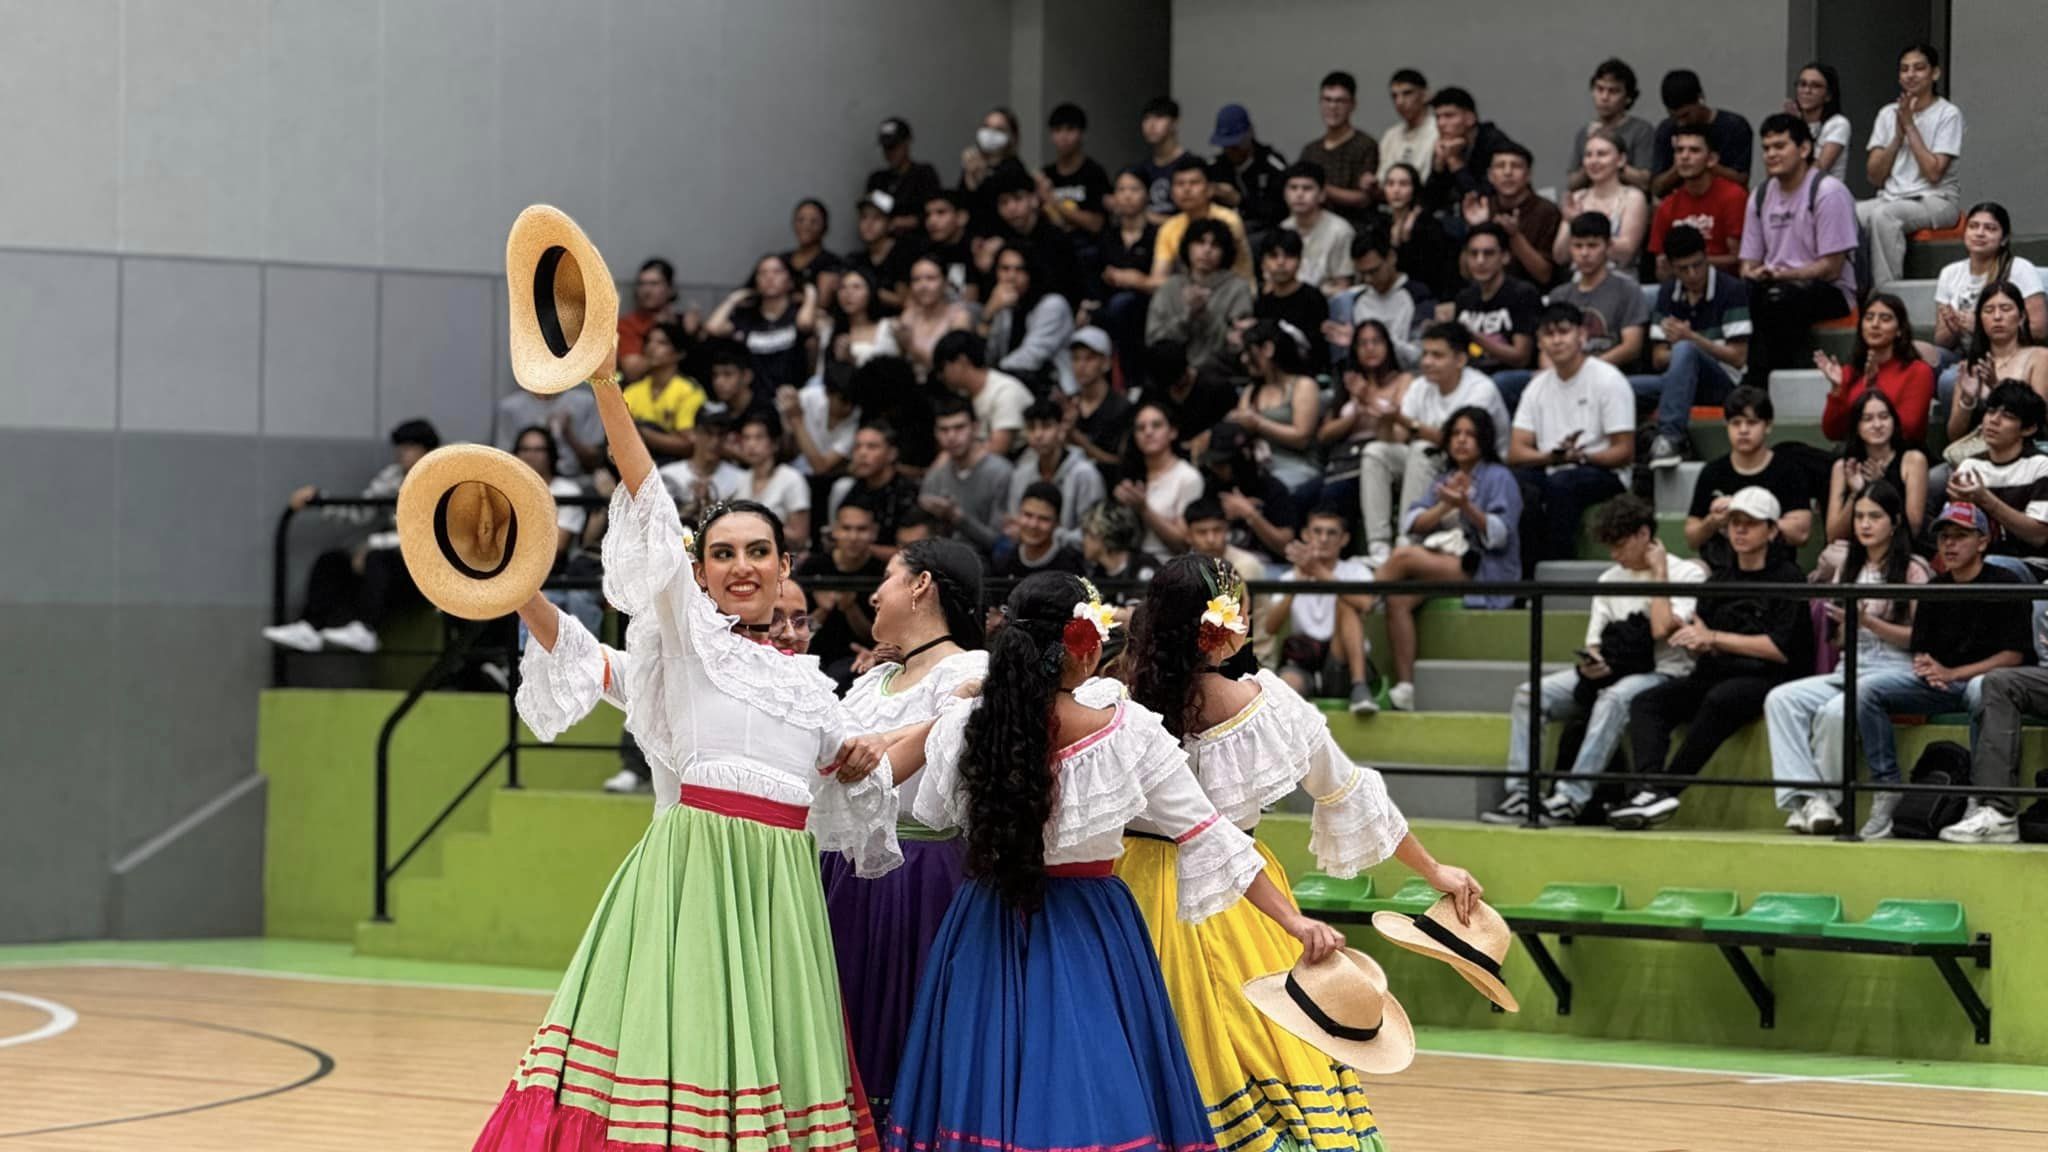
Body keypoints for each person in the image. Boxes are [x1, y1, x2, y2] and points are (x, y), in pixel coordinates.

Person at [482, 338, 892, 1149]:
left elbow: (857, 774)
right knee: (684, 1057)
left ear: (785, 567)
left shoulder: (812, 689)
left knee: (768, 1071)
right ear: (697, 573)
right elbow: (647, 498)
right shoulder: (686, 639)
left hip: (780, 899)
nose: (741, 567)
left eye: (759, 553)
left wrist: (868, 759)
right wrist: (606, 385)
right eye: (722, 554)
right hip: (694, 881)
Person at [853, 571, 1336, 1152]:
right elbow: (1208, 833)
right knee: (1092, 1080)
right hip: (1091, 929)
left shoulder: (970, 725)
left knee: (985, 1073)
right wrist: (1293, 920)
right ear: (1084, 646)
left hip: (985, 920)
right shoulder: (1126, 732)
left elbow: (896, 792)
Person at [1124, 554, 1485, 1152]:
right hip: (1235, 898)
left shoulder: (1114, 700)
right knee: (1254, 1040)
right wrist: (1434, 870)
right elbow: (1345, 788)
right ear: (1227, 622)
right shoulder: (1263, 707)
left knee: (1149, 1039)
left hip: (1127, 893)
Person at [820, 540, 988, 1119]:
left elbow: (944, 756)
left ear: (921, 586)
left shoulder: (969, 670)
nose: (874, 592)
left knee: (902, 1015)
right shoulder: (873, 679)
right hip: (843, 864)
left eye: (888, 576)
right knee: (842, 1015)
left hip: (917, 871)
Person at [1481, 495, 1706, 826]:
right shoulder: (1609, 579)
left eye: (1620, 545)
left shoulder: (1686, 574)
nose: (1614, 555)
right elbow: (1595, 641)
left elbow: (1664, 628)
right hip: (1613, 671)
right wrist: (1593, 663)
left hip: (1665, 673)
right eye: (1609, 547)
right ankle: (1521, 793)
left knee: (1612, 698)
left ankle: (1571, 798)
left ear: (1644, 535)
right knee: (1529, 694)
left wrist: (1659, 572)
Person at [1610, 487, 1809, 830]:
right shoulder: (1719, 579)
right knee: (1647, 702)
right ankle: (1648, 785)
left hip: (1768, 677)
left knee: (1721, 699)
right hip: (1715, 670)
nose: (1740, 530)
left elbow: (1780, 648)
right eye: (1734, 523)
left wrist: (1714, 638)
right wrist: (1695, 640)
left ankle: (1664, 790)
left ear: (1772, 531)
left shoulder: (1789, 578)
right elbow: (1703, 633)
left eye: (1750, 523)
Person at [1853, 502, 2032, 839]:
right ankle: (1887, 790)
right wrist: (1925, 665)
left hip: (1979, 682)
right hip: (1939, 684)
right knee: (1867, 690)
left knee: (1984, 688)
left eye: (1960, 536)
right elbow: (1922, 645)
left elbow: (2013, 656)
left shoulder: (2005, 582)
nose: (1949, 544)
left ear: (1982, 542)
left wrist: (1953, 673)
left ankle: (1979, 798)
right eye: (1944, 537)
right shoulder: (1935, 586)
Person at [1765, 480, 1930, 835]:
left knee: (1834, 712)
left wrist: (1869, 621)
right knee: (1781, 699)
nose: (1865, 525)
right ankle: (1809, 799)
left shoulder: (1914, 569)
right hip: (1851, 666)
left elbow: (1921, 638)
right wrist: (1844, 627)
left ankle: (1823, 801)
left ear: (1895, 521)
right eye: (1858, 517)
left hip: (1895, 668)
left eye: (1875, 516)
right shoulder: (1849, 567)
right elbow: (1839, 641)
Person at [1372, 407, 1523, 711]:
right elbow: (1412, 521)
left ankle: (1362, 604)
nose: (1461, 441)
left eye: (1470, 434)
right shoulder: (1446, 477)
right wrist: (1444, 506)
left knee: (1401, 556)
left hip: (1484, 567)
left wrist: (1466, 507)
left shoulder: (1499, 476)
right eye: (1456, 434)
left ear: (1484, 440)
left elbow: (1500, 535)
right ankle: (1405, 687)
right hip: (1446, 562)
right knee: (1399, 601)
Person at [264, 419, 440, 654]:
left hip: (427, 572)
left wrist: (372, 546)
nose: (401, 455)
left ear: (426, 450)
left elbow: (432, 536)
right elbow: (362, 509)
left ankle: (366, 630)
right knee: (332, 561)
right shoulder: (394, 477)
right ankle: (310, 627)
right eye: (399, 448)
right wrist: (319, 498)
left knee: (377, 559)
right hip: (391, 561)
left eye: (408, 448)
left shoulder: (444, 479)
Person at [1362, 321, 1512, 563]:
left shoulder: (1481, 389)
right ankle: (1378, 547)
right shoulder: (1421, 386)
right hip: (1437, 465)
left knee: (1422, 449)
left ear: (1461, 359)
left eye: (1437, 355)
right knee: (1375, 451)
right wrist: (1387, 420)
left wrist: (1405, 421)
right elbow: (1397, 439)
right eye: (1425, 354)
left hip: (1479, 469)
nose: (1426, 362)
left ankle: (1408, 541)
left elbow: (1461, 442)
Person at [1508, 303, 1636, 570]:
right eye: (1549, 334)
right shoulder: (1537, 386)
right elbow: (1516, 452)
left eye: (1563, 332)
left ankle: (1557, 572)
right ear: (1540, 341)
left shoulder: (1608, 380)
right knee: (1518, 485)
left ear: (1582, 336)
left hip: (1602, 472)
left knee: (1563, 485)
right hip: (1552, 466)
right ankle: (1525, 578)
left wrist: (1583, 456)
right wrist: (1551, 456)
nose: (1556, 340)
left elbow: (1624, 451)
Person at [1739, 114, 1858, 387]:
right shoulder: (1758, 195)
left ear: (1804, 149)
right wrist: (1755, 274)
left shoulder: (1828, 192)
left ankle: (1759, 384)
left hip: (1829, 291)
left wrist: (1782, 276)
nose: (1771, 154)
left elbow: (1831, 267)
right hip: (1775, 285)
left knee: (1780, 300)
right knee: (1743, 293)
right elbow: (1748, 262)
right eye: (1766, 148)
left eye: (1780, 146)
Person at [1638, 224, 1752, 467]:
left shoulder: (1731, 289)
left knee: (1685, 349)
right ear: (1670, 267)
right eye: (1683, 269)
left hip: (1722, 382)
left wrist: (1692, 340)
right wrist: (1684, 357)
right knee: (1620, 385)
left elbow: (1738, 357)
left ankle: (1670, 437)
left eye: (1697, 265)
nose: (1692, 274)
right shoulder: (1668, 293)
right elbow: (1659, 357)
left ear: (1707, 257)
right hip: (1678, 381)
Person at [1858, 43, 1966, 291]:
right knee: (1846, 213)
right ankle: (1853, 292)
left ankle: (1888, 295)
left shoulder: (1948, 113)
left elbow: (1934, 172)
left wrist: (1910, 126)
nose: (1910, 74)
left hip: (1937, 200)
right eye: (1905, 69)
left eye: (1919, 68)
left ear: (1934, 73)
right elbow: (1875, 176)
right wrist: (1897, 135)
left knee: (1884, 217)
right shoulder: (1887, 114)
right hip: (1891, 196)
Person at [1264, 506, 1375, 711]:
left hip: (1343, 661)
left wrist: (1320, 573)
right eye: (1317, 531)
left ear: (1345, 539)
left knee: (1346, 601)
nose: (1324, 539)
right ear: (1306, 535)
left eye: (1331, 533)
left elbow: (1366, 604)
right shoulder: (1290, 577)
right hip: (1304, 659)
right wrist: (1296, 586)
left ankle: (1360, 687)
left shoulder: (1357, 570)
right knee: (1286, 686)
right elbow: (1270, 627)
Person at [1683, 385, 1815, 553]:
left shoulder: (1788, 470)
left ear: (1767, 426)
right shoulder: (1712, 472)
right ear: (1727, 426)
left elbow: (1801, 534)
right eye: (1736, 423)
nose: (1743, 430)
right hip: (1722, 568)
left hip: (1774, 567)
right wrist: (1712, 522)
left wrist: (1742, 508)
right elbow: (1692, 539)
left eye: (1752, 422)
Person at [1932, 203, 2048, 370]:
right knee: (1919, 356)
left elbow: (2039, 330)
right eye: (1973, 226)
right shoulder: (1949, 272)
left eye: (1990, 228)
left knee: (1950, 382)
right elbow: (1941, 342)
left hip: (2010, 355)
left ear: (2004, 239)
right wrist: (1953, 327)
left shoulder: (2020, 269)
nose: (1979, 233)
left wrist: (1980, 327)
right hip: (1964, 354)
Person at [1318, 319, 1413, 517]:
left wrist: (1369, 398)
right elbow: (1324, 435)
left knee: (1333, 495)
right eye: (1362, 343)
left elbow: (1400, 434)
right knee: (1303, 494)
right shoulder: (1349, 383)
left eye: (1376, 342)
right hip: (1343, 459)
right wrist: (1355, 415)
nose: (1370, 348)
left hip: (1378, 459)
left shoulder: (1403, 381)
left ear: (1388, 345)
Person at [1815, 292, 1935, 446]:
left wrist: (1872, 388)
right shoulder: (1849, 371)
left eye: (1885, 319)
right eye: (1869, 318)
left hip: (1901, 457)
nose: (1875, 324)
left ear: (1899, 330)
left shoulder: (1918, 371)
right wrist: (1837, 391)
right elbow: (1832, 432)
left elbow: (1908, 430)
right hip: (1855, 455)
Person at [1950, 381, 2048, 564]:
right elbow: (1955, 532)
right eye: (1990, 411)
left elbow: (2038, 536)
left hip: (2033, 564)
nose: (1993, 420)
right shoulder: (1970, 465)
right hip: (1977, 564)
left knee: (1995, 564)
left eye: (2008, 416)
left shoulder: (2041, 466)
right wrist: (1957, 502)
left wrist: (1985, 499)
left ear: (2029, 429)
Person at [1443, 223, 1541, 404]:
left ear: (1504, 257)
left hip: (1511, 380)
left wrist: (1475, 337)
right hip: (1473, 376)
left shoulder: (1522, 293)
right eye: (1474, 254)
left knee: (1496, 384)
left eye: (1488, 254)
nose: (1480, 261)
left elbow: (1521, 357)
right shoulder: (1464, 298)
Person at [1146, 218, 1256, 376]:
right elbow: (1154, 339)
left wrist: (1204, 315)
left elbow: (1237, 345)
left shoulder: (1237, 288)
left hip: (1218, 373)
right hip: (1171, 374)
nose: (1206, 250)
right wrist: (1187, 317)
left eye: (1215, 245)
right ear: (1188, 247)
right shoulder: (1170, 287)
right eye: (1200, 243)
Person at [1231, 319, 1324, 501]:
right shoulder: (1251, 392)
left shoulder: (1303, 385)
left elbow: (1301, 437)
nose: (1244, 358)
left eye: (1249, 351)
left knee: (1270, 492)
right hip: (1258, 467)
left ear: (1268, 349)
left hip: (1297, 466)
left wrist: (1259, 423)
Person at [797, 499, 886, 686]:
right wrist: (822, 610)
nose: (853, 537)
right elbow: (797, 632)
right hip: (810, 657)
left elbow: (879, 637)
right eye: (846, 529)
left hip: (858, 660)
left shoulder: (882, 572)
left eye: (861, 529)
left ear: (873, 532)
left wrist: (851, 609)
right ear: (835, 531)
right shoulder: (813, 567)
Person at [1326, 222, 1433, 370]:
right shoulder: (1354, 300)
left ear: (1391, 258)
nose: (1368, 279)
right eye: (1362, 274)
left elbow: (1420, 355)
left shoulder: (1418, 296)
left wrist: (1376, 343)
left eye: (1374, 271)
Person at [1825, 390, 1929, 543]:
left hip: (1900, 549)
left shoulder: (1913, 460)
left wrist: (1880, 485)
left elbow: (1913, 527)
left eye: (1884, 417)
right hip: (1855, 551)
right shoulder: (1843, 468)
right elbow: (1834, 536)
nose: (1877, 425)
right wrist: (1856, 493)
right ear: (1857, 426)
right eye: (1867, 419)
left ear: (1894, 421)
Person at [1549, 214, 1649, 371]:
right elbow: (1546, 347)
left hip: (1614, 376)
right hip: (1566, 376)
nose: (1584, 253)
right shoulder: (1559, 295)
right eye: (1578, 246)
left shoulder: (1628, 290)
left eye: (1592, 245)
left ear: (1608, 246)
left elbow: (1632, 347)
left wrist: (1585, 370)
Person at [705, 252, 819, 391]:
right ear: (756, 281)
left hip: (794, 396)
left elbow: (806, 324)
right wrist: (734, 298)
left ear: (790, 280)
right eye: (763, 273)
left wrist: (810, 293)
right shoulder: (747, 316)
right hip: (758, 400)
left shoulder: (798, 313)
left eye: (777, 272)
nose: (769, 277)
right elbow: (713, 327)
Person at [1648, 125, 1748, 275]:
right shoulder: (1668, 205)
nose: (1685, 157)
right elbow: (1661, 267)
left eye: (1694, 150)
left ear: (1711, 159)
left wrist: (1687, 263)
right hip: (1679, 287)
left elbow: (1739, 259)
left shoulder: (1733, 196)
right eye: (1679, 150)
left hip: (1725, 286)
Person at [979, 242, 1076, 394]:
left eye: (1020, 270)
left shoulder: (1053, 305)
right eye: (1005, 269)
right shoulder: (1001, 306)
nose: (1011, 276)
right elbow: (986, 357)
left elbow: (1031, 356)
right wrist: (989, 313)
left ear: (1032, 273)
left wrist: (990, 376)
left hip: (1051, 388)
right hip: (1009, 384)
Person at [920, 398, 1015, 554]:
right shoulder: (936, 474)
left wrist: (958, 518)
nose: (951, 436)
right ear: (936, 433)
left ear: (975, 428)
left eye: (959, 428)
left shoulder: (1001, 472)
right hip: (940, 563)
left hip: (986, 567)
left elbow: (1000, 542)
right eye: (944, 430)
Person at [1007, 398, 1105, 548]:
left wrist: (1048, 534)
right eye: (1032, 428)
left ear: (1061, 430)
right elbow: (1015, 523)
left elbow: (1093, 533)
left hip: (1074, 561)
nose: (1038, 435)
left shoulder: (1085, 474)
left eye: (1046, 427)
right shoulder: (1020, 475)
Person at [1461, 142, 1561, 288]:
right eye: (1500, 166)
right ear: (1490, 176)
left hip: (1531, 295)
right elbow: (1466, 273)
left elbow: (1544, 275)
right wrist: (1476, 228)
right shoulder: (1483, 207)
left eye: (1516, 166)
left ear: (1528, 175)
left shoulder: (1546, 211)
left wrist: (1515, 236)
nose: (1507, 172)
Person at [1114, 400, 1206, 557]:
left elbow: (1184, 543)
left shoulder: (1187, 477)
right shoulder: (1131, 474)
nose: (1148, 432)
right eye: (1140, 428)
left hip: (1170, 567)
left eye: (1156, 425)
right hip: (1132, 568)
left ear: (1173, 432)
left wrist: (1144, 510)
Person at [986, 166, 1086, 309]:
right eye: (1004, 202)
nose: (1011, 208)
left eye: (1018, 198)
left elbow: (1069, 288)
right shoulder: (1000, 241)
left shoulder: (1057, 238)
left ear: (1034, 199)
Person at [1150, 157, 1256, 285]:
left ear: (1210, 189)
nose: (1186, 189)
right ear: (1172, 193)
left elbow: (1229, 271)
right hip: (1188, 295)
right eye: (1180, 184)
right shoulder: (1169, 227)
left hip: (1233, 292)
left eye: (1194, 183)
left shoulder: (1228, 220)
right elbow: (1158, 278)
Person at [1556, 129, 1649, 271]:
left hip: (1620, 282)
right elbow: (1560, 256)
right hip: (1580, 281)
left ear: (1621, 160)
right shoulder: (1577, 197)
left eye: (1602, 154)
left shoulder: (1633, 197)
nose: (1593, 161)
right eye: (1588, 155)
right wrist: (1570, 222)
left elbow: (1627, 251)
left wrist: (1586, 232)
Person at [1651, 70, 1753, 197]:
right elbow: (1657, 187)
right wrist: (1681, 166)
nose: (1681, 123)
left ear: (1700, 99)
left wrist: (1704, 163)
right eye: (1674, 117)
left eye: (1686, 115)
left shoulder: (1734, 126)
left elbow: (1741, 180)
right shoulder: (1666, 129)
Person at [933, 330, 1034, 458]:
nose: (941, 376)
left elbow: (998, 449)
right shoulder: (963, 394)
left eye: (943, 368)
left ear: (961, 362)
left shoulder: (1005, 392)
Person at [617, 321, 704, 464]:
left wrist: (643, 433)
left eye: (662, 343)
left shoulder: (688, 391)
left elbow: (688, 446)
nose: (651, 347)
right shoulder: (632, 391)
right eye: (649, 341)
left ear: (679, 354)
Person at [827, 421, 922, 553]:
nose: (862, 453)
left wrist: (860, 549)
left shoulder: (909, 494)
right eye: (857, 447)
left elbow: (913, 553)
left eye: (872, 447)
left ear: (891, 454)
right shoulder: (848, 489)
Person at [1098, 169, 1162, 365]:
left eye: (1134, 189)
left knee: (1124, 304)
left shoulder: (1157, 235)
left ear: (1147, 194)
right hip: (1109, 302)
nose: (1127, 196)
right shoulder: (1107, 235)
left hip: (1147, 302)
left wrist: (1133, 279)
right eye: (1121, 190)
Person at [1203, 103, 1289, 247]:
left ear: (1250, 133)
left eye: (1236, 145)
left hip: (1264, 233)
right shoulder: (1213, 167)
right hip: (1221, 234)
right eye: (1226, 146)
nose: (1231, 151)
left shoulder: (1271, 164)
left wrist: (1240, 200)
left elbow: (1281, 211)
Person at [1300, 71, 1380, 224]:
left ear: (1353, 105)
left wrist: (1320, 188)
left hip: (1354, 225)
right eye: (1327, 100)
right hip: (1314, 224)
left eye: (1340, 101)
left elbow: (1364, 199)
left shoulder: (1365, 145)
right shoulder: (1311, 150)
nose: (1332, 107)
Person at [1421, 87, 1517, 212]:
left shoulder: (1494, 143)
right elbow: (1429, 202)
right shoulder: (1447, 144)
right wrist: (1438, 166)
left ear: (1470, 118)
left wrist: (1455, 162)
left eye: (1449, 116)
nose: (1441, 123)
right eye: (1438, 117)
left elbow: (1483, 200)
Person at [1569, 58, 1654, 190]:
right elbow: (1572, 184)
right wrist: (1592, 153)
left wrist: (1610, 158)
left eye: (1613, 91)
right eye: (1599, 89)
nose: (1604, 97)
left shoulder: (1641, 130)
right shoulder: (1585, 132)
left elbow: (1644, 182)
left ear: (1628, 97)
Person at [733, 412, 811, 547]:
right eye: (746, 438)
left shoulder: (792, 479)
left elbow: (800, 538)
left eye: (759, 437)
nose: (751, 444)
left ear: (774, 444)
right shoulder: (741, 480)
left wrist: (759, 523)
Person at [1381, 161, 1458, 299]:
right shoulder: (1380, 225)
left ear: (1414, 189)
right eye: (1390, 184)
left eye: (1403, 184)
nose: (1396, 190)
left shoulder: (1429, 226)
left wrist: (1406, 241)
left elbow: (1434, 272)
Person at [1252, 233, 1331, 366]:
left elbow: (1317, 349)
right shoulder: (1261, 301)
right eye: (1273, 256)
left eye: (1289, 256)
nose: (1281, 263)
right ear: (1263, 262)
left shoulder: (1313, 298)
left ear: (1300, 261)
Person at [657, 408, 744, 525]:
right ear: (695, 434)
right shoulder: (668, 475)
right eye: (708, 433)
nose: (715, 441)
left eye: (721, 434)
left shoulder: (741, 480)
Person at [1279, 162, 1356, 293]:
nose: (1299, 194)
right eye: (1293, 188)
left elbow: (1344, 287)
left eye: (1307, 188)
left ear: (1322, 195)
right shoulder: (1283, 228)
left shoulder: (1340, 231)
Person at [1039, 102, 1111, 238]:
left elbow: (1096, 224)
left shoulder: (1094, 173)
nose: (1063, 137)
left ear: (1081, 133)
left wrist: (1053, 202)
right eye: (1057, 130)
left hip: (1087, 249)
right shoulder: (1046, 175)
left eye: (1070, 129)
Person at [897, 256, 973, 382]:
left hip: (944, 390)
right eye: (916, 280)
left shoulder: (959, 317)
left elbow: (953, 369)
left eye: (931, 278)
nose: (923, 285)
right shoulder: (908, 315)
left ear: (945, 283)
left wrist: (912, 348)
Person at [959, 106, 1031, 236]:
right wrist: (971, 175)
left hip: (1002, 237)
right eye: (987, 127)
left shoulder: (1014, 170)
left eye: (999, 129)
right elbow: (962, 205)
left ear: (1012, 136)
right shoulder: (972, 164)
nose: (990, 133)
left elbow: (995, 208)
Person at [994, 481, 1089, 579]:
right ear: (1018, 515)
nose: (1033, 525)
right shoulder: (1004, 563)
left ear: (1057, 523)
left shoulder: (1071, 569)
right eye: (1028, 515)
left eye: (1044, 519)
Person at [1068, 326, 1132, 468]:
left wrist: (1077, 438)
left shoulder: (1122, 408)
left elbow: (1120, 462)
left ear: (1106, 363)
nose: (1081, 366)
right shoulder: (1069, 405)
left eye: (1089, 358)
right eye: (1076, 358)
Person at [867, 116, 943, 236]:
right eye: (886, 148)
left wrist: (911, 221)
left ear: (907, 143)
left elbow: (936, 210)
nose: (890, 153)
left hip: (918, 242)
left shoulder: (924, 174)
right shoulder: (877, 179)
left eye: (894, 147)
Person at [847, 193, 917, 310]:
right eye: (864, 217)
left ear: (890, 224)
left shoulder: (904, 253)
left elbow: (905, 301)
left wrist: (869, 290)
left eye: (877, 218)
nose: (869, 224)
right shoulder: (857, 259)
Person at [616, 256, 681, 382]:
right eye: (642, 284)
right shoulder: (628, 324)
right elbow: (632, 370)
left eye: (654, 284)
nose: (647, 290)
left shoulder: (681, 322)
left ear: (670, 289)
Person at [1789, 62, 1852, 184]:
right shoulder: (1793, 123)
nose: (1807, 90)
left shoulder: (1838, 124)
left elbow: (1818, 171)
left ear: (1828, 95)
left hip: (1824, 195)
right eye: (1802, 84)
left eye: (1815, 86)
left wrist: (1799, 130)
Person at [1082, 501, 1161, 598]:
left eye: (1087, 534)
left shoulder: (1144, 566)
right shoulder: (1096, 575)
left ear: (1102, 536)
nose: (1083, 541)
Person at [1183, 496, 1270, 581]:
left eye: (1217, 530)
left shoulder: (1246, 565)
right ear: (1188, 536)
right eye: (1202, 532)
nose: (1211, 539)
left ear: (1227, 531)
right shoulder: (1180, 570)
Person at [1135, 96, 1193, 221]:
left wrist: (1148, 217)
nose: (1151, 125)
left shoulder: (1190, 165)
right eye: (1146, 119)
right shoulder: (1142, 168)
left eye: (1159, 118)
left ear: (1174, 123)